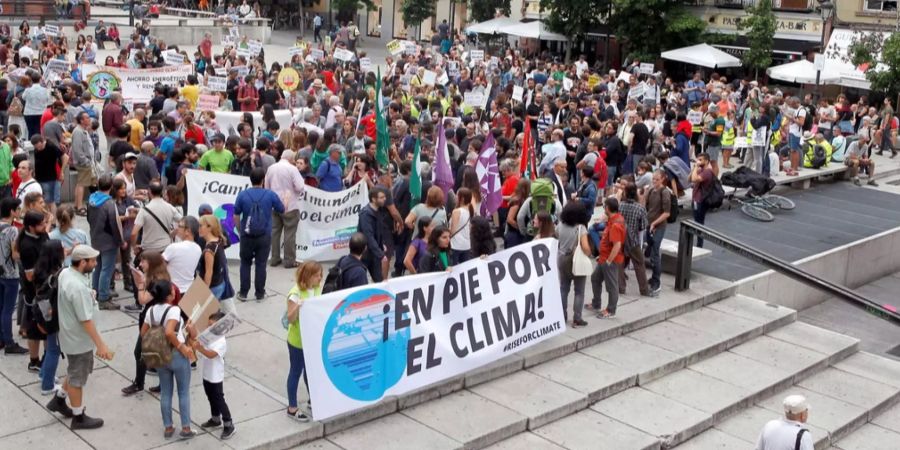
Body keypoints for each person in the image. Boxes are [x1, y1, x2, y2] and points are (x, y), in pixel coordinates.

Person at [46, 245, 113, 430]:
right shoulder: (76, 287)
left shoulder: (66, 273)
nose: (96, 263)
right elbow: (85, 320)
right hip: (79, 339)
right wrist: (101, 345)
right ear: (82, 262)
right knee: (78, 378)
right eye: (93, 261)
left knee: (75, 370)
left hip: (70, 335)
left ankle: (59, 399)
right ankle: (78, 417)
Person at [141, 279, 197, 440]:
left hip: (160, 356)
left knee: (166, 392)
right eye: (172, 291)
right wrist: (182, 347)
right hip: (176, 355)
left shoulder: (151, 311)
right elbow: (169, 332)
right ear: (169, 296)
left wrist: (155, 339)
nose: (175, 292)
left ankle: (168, 426)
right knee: (183, 392)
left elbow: (143, 333)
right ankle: (186, 428)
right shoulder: (173, 311)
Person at [121, 251, 169, 396]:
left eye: (143, 262)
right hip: (148, 320)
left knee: (144, 352)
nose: (140, 264)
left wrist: (141, 284)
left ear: (152, 264)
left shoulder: (159, 282)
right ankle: (145, 383)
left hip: (154, 323)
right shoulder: (152, 277)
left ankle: (142, 383)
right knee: (150, 353)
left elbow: (142, 300)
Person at [234, 168, 285, 301]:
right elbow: (281, 209)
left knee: (245, 263)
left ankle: (243, 293)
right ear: (263, 180)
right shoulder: (270, 194)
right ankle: (260, 293)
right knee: (261, 264)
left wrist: (240, 230)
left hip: (247, 235)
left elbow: (236, 214)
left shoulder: (243, 195)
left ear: (250, 179)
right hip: (264, 235)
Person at [285, 261, 322, 422]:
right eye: (317, 275)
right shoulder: (295, 293)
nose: (320, 278)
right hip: (298, 341)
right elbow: (290, 319)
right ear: (308, 276)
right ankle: (292, 407)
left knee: (310, 372)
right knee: (295, 372)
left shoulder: (316, 289)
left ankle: (312, 399)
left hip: (312, 339)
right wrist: (297, 307)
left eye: (320, 275)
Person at [192, 311, 236, 440]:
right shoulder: (209, 336)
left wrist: (199, 348)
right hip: (207, 374)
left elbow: (211, 354)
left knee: (218, 399)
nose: (208, 327)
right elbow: (197, 339)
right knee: (210, 397)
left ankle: (229, 424)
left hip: (215, 376)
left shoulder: (221, 341)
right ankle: (215, 418)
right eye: (208, 325)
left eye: (211, 325)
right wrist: (192, 329)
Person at [86, 174, 124, 309]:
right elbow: (114, 224)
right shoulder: (109, 204)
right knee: (107, 270)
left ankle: (96, 292)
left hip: (95, 238)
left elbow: (88, 218)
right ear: (111, 187)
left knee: (98, 267)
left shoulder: (91, 199)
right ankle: (103, 297)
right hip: (108, 241)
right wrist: (120, 241)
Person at [265, 150, 306, 269]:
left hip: (274, 204)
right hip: (290, 204)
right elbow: (300, 187)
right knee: (290, 233)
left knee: (275, 232)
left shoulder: (271, 168)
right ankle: (289, 260)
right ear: (291, 159)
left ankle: (275, 258)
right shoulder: (292, 169)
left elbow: (267, 187)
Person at [35, 240, 65, 396]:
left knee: (49, 347)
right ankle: (47, 385)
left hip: (43, 313)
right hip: (53, 316)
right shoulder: (56, 275)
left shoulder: (40, 269)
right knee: (54, 349)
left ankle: (44, 374)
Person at [557, 201, 592, 327]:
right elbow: (586, 248)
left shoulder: (560, 225)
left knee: (563, 289)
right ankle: (577, 317)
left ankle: (562, 315)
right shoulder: (581, 228)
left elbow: (556, 238)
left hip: (562, 258)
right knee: (579, 291)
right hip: (576, 261)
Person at [0, 198, 26, 354]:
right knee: (8, 310)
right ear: (12, 211)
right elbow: (15, 255)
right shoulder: (12, 230)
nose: (20, 211)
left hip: (0, 271)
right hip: (10, 274)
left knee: (1, 306)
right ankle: (9, 342)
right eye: (18, 209)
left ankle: (2, 338)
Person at [591, 198, 625, 319]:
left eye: (604, 206)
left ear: (607, 208)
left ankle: (611, 310)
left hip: (610, 260)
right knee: (595, 278)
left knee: (612, 286)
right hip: (604, 258)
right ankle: (596, 303)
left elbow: (617, 245)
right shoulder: (613, 220)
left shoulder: (615, 224)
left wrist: (609, 261)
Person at [198, 215, 235, 315]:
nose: (199, 229)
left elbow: (208, 273)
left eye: (201, 226)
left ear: (209, 227)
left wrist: (204, 292)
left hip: (214, 286)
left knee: (208, 316)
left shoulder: (209, 249)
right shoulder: (218, 240)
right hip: (221, 281)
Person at [618, 182, 650, 297]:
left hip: (620, 238)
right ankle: (644, 289)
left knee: (619, 263)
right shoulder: (640, 208)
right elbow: (643, 226)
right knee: (639, 264)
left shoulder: (620, 205)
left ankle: (621, 287)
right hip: (633, 240)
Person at [645, 171, 671, 296]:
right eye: (653, 179)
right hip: (650, 225)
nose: (654, 182)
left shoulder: (665, 193)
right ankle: (654, 277)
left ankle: (657, 282)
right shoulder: (651, 191)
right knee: (650, 251)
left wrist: (654, 223)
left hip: (658, 226)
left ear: (662, 179)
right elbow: (647, 206)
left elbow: (666, 213)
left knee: (655, 253)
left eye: (656, 179)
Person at [356, 188, 387, 282]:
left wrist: (382, 244)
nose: (384, 199)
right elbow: (368, 236)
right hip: (364, 252)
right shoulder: (366, 214)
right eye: (381, 197)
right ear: (374, 199)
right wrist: (380, 254)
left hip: (373, 252)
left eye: (384, 197)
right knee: (361, 282)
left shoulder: (379, 210)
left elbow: (379, 231)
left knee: (379, 280)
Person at [690, 153, 714, 247]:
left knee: (699, 224)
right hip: (696, 199)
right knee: (698, 222)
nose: (698, 161)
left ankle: (699, 244)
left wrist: (696, 168)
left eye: (701, 160)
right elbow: (689, 178)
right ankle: (699, 244)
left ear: (707, 161)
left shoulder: (707, 172)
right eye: (698, 159)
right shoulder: (701, 170)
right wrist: (694, 169)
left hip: (700, 201)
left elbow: (694, 179)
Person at [449, 187, 475, 264]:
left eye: (457, 195)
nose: (455, 197)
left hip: (455, 244)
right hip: (466, 245)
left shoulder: (457, 211)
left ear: (462, 198)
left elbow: (453, 230)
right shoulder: (470, 210)